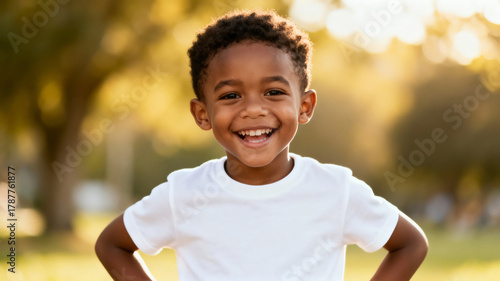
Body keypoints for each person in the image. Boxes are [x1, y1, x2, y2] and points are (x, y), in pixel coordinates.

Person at [95, 9, 428, 281]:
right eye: (230, 96)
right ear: (202, 114)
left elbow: (410, 244)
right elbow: (112, 245)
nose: (253, 109)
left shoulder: (335, 190)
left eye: (273, 92)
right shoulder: (184, 193)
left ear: (305, 106)